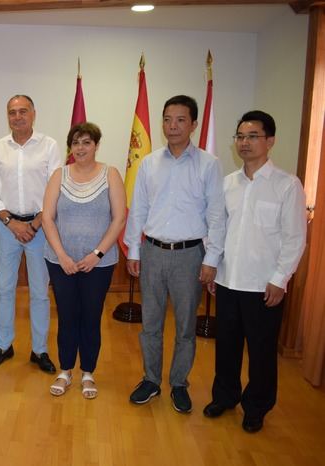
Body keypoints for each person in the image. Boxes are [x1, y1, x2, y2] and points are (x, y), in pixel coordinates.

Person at [203, 111, 306, 433]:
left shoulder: (287, 185)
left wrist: (280, 279)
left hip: (264, 286)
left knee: (261, 352)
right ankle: (225, 396)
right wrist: (214, 266)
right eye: (240, 137)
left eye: (253, 136)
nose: (245, 143)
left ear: (270, 141)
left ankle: (257, 406)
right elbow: (216, 230)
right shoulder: (227, 184)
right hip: (229, 280)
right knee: (227, 347)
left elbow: (295, 238)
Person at [123, 95, 226, 413]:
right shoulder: (149, 163)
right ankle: (151, 380)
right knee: (150, 323)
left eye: (181, 119)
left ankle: (179, 384)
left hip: (189, 255)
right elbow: (138, 209)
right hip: (153, 252)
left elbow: (217, 215)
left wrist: (211, 260)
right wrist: (133, 250)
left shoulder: (209, 164)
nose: (173, 125)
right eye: (168, 119)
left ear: (194, 124)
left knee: (184, 327)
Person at [42, 122, 126, 399]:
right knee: (67, 317)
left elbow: (119, 218)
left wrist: (96, 254)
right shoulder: (59, 175)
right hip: (60, 261)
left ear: (96, 145)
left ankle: (88, 372)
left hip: (99, 264)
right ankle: (65, 371)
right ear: (70, 147)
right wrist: (63, 256)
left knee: (90, 317)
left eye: (86, 142)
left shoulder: (111, 174)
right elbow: (47, 218)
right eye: (75, 143)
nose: (80, 148)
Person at [0, 94, 61, 373]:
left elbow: (55, 189)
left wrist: (35, 223)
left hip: (41, 228)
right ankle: (4, 345)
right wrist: (11, 222)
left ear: (33, 114)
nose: (17, 116)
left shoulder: (49, 146)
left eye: (23, 111)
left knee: (40, 291)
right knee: (4, 289)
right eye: (12, 112)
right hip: (6, 228)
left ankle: (39, 350)